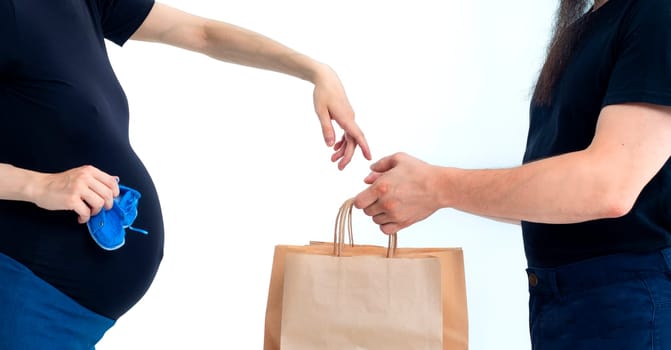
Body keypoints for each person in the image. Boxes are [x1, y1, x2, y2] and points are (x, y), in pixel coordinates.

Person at [0, 0, 371, 348]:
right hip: (29, 291)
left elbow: (200, 32)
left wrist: (316, 71)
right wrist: (38, 185)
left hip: (58, 307)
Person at [354, 0, 671, 348]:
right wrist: (432, 193)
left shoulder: (656, 12)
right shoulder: (585, 29)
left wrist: (437, 186)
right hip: (565, 303)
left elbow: (608, 187)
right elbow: (560, 200)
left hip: (631, 302)